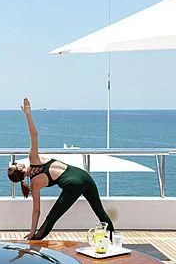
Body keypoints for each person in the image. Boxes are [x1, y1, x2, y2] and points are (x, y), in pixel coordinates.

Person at [7, 97, 115, 240]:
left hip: (74, 185)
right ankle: (115, 243)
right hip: (84, 176)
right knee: (101, 213)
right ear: (19, 168)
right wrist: (28, 113)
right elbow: (34, 134)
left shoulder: (34, 185)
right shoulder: (33, 159)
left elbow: (36, 211)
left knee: (51, 218)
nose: (16, 162)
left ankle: (33, 242)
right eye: (15, 164)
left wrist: (32, 231)